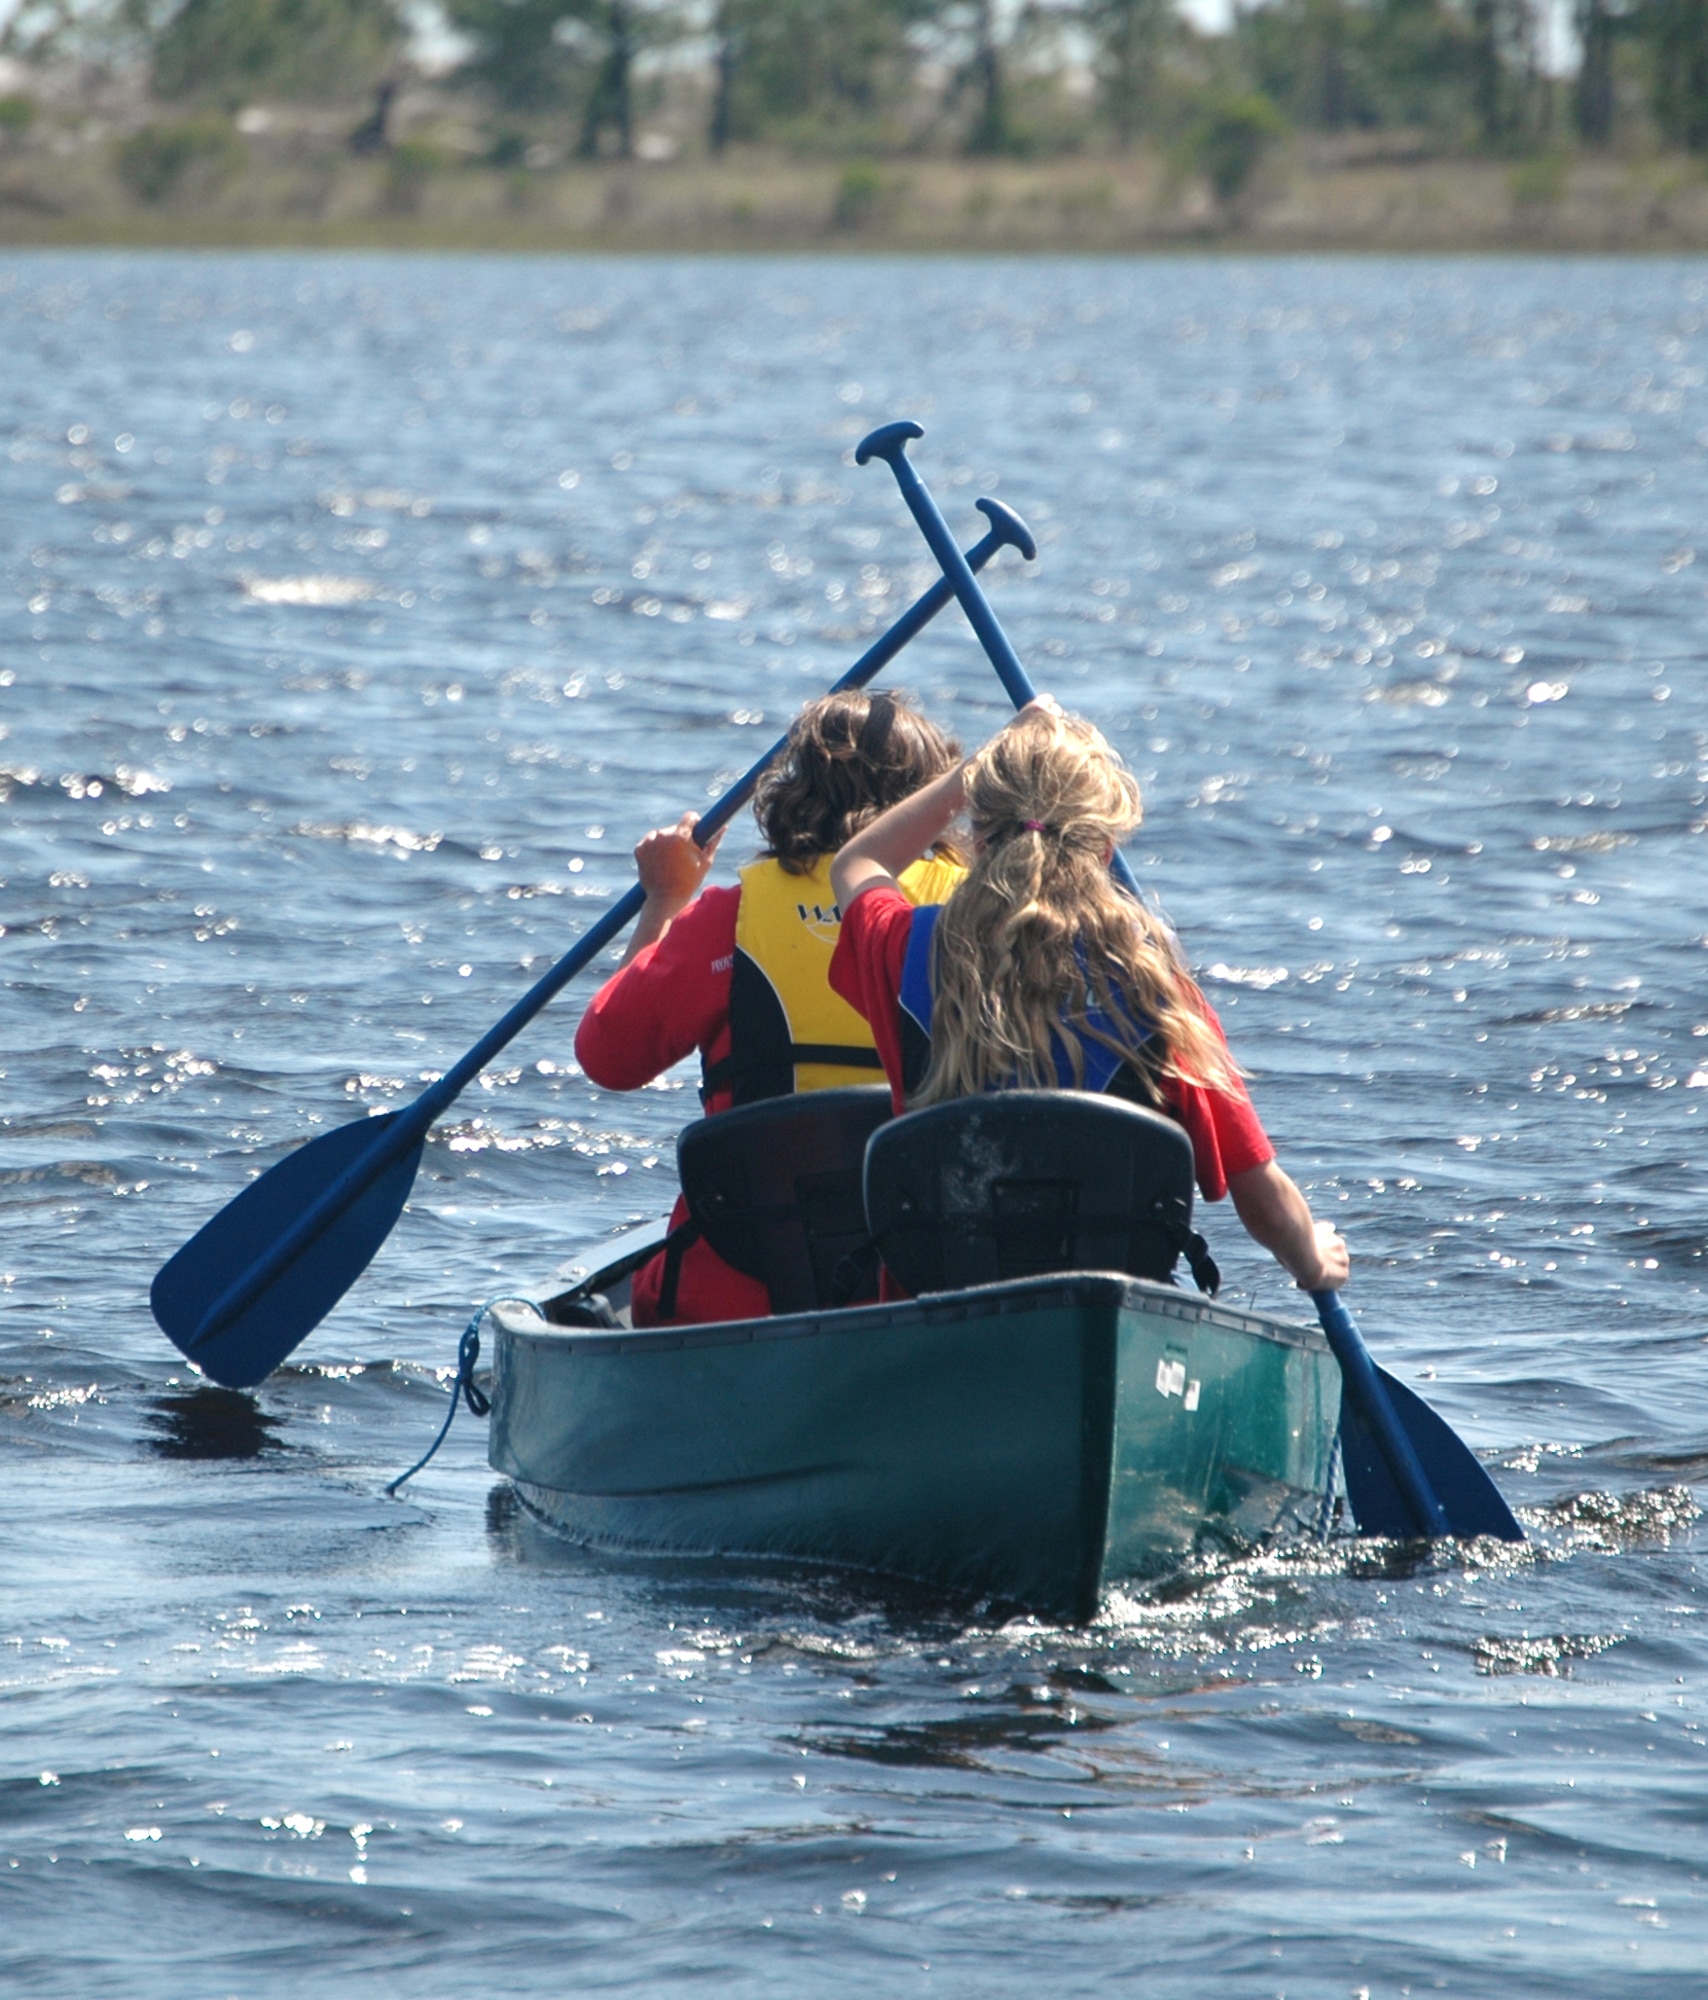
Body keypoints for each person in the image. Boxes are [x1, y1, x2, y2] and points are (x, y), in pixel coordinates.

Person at [827, 700, 1349, 1296]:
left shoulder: (904, 950)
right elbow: (1259, 1194)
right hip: (1109, 1306)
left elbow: (859, 861)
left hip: (942, 1297)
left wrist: (974, 767)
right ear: (1103, 851)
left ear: (974, 838)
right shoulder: (1154, 982)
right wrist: (1313, 1259)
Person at [575, 688, 966, 1325]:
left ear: (795, 788)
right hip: (929, 1282)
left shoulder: (730, 919)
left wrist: (664, 900)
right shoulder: (987, 913)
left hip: (739, 1294)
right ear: (928, 805)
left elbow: (607, 1055)